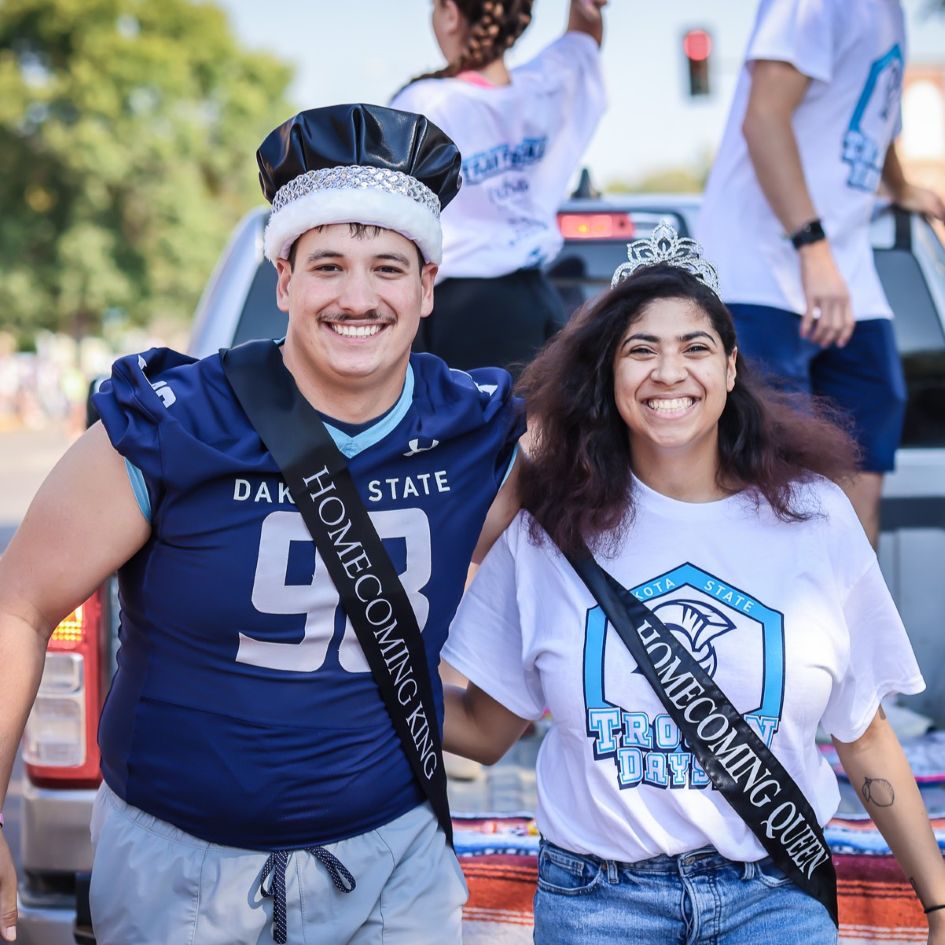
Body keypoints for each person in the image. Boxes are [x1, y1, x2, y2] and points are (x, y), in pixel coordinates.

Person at [0, 103, 525, 945]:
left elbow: (622, 508)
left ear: (428, 286)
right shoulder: (173, 422)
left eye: (388, 267)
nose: (358, 297)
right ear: (283, 279)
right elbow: (18, 602)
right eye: (328, 266)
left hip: (394, 867)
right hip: (184, 877)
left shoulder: (477, 429)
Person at [438, 224, 945, 944]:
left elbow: (862, 730)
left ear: (731, 368)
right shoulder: (546, 530)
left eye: (694, 346)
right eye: (639, 348)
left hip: (773, 890)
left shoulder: (813, 515)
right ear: (607, 374)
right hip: (596, 901)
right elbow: (485, 733)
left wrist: (937, 902)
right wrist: (349, 670)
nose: (667, 370)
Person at [697, 0, 945, 548]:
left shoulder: (890, 13)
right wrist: (813, 248)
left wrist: (902, 189)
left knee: (857, 493)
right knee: (768, 501)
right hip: (760, 278)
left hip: (848, 284)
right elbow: (764, 117)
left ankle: (849, 632)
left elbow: (874, 120)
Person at [389, 0, 607, 379]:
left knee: (471, 437)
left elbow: (388, 214)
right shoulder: (543, 89)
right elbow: (583, 40)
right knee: (538, 435)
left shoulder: (427, 104)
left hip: (461, 319)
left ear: (452, 14)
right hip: (541, 309)